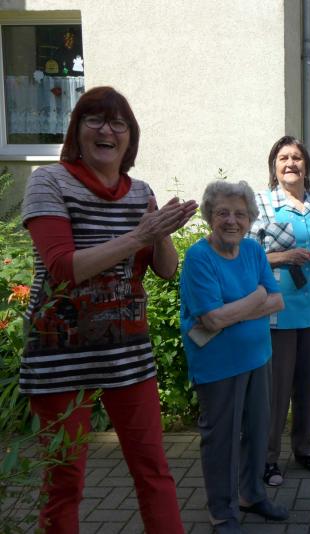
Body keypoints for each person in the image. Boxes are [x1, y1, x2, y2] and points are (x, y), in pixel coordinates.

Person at [19, 86, 197, 533]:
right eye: (94, 119)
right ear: (76, 131)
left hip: (126, 354)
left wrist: (160, 231)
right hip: (60, 355)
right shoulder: (48, 181)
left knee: (153, 470)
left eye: (119, 124)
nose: (107, 130)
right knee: (64, 482)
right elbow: (62, 268)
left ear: (130, 139)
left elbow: (166, 270)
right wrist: (139, 235)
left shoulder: (141, 192)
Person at [180, 181, 288, 533]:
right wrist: (255, 298)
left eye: (240, 214)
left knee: (258, 431)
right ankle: (222, 512)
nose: (231, 220)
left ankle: (251, 495)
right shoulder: (199, 257)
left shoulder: (253, 250)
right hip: (218, 364)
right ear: (210, 216)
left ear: (250, 219)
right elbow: (211, 319)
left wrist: (233, 311)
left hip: (258, 356)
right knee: (222, 440)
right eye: (222, 213)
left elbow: (277, 300)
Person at [251, 136, 310, 487]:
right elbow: (247, 254)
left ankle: (304, 449)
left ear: (306, 165)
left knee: (307, 386)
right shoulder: (261, 202)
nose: (291, 163)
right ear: (274, 166)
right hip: (277, 310)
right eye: (283, 158)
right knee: (276, 389)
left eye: (297, 158)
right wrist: (282, 257)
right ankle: (267, 458)